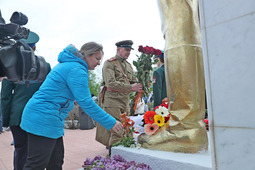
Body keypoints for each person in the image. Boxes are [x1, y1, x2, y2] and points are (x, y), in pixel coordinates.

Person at [20, 42, 123, 170]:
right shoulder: (77, 69)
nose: (98, 63)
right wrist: (111, 122)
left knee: (56, 161)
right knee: (36, 164)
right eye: (97, 58)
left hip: (49, 117)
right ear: (87, 55)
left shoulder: (72, 65)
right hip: (43, 117)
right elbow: (86, 102)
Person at [1, 31, 51, 170]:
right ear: (35, 48)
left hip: (18, 117)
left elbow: (5, 97)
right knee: (38, 153)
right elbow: (50, 92)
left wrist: (5, 121)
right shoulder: (45, 66)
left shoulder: (9, 66)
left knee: (21, 151)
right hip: (39, 115)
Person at [96, 40, 143, 151]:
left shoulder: (128, 65)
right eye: (126, 50)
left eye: (130, 50)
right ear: (118, 49)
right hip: (112, 101)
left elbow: (132, 81)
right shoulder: (110, 63)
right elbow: (110, 83)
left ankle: (126, 152)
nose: (128, 52)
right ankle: (115, 158)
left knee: (127, 128)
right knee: (117, 129)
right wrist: (131, 87)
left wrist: (142, 83)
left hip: (124, 101)